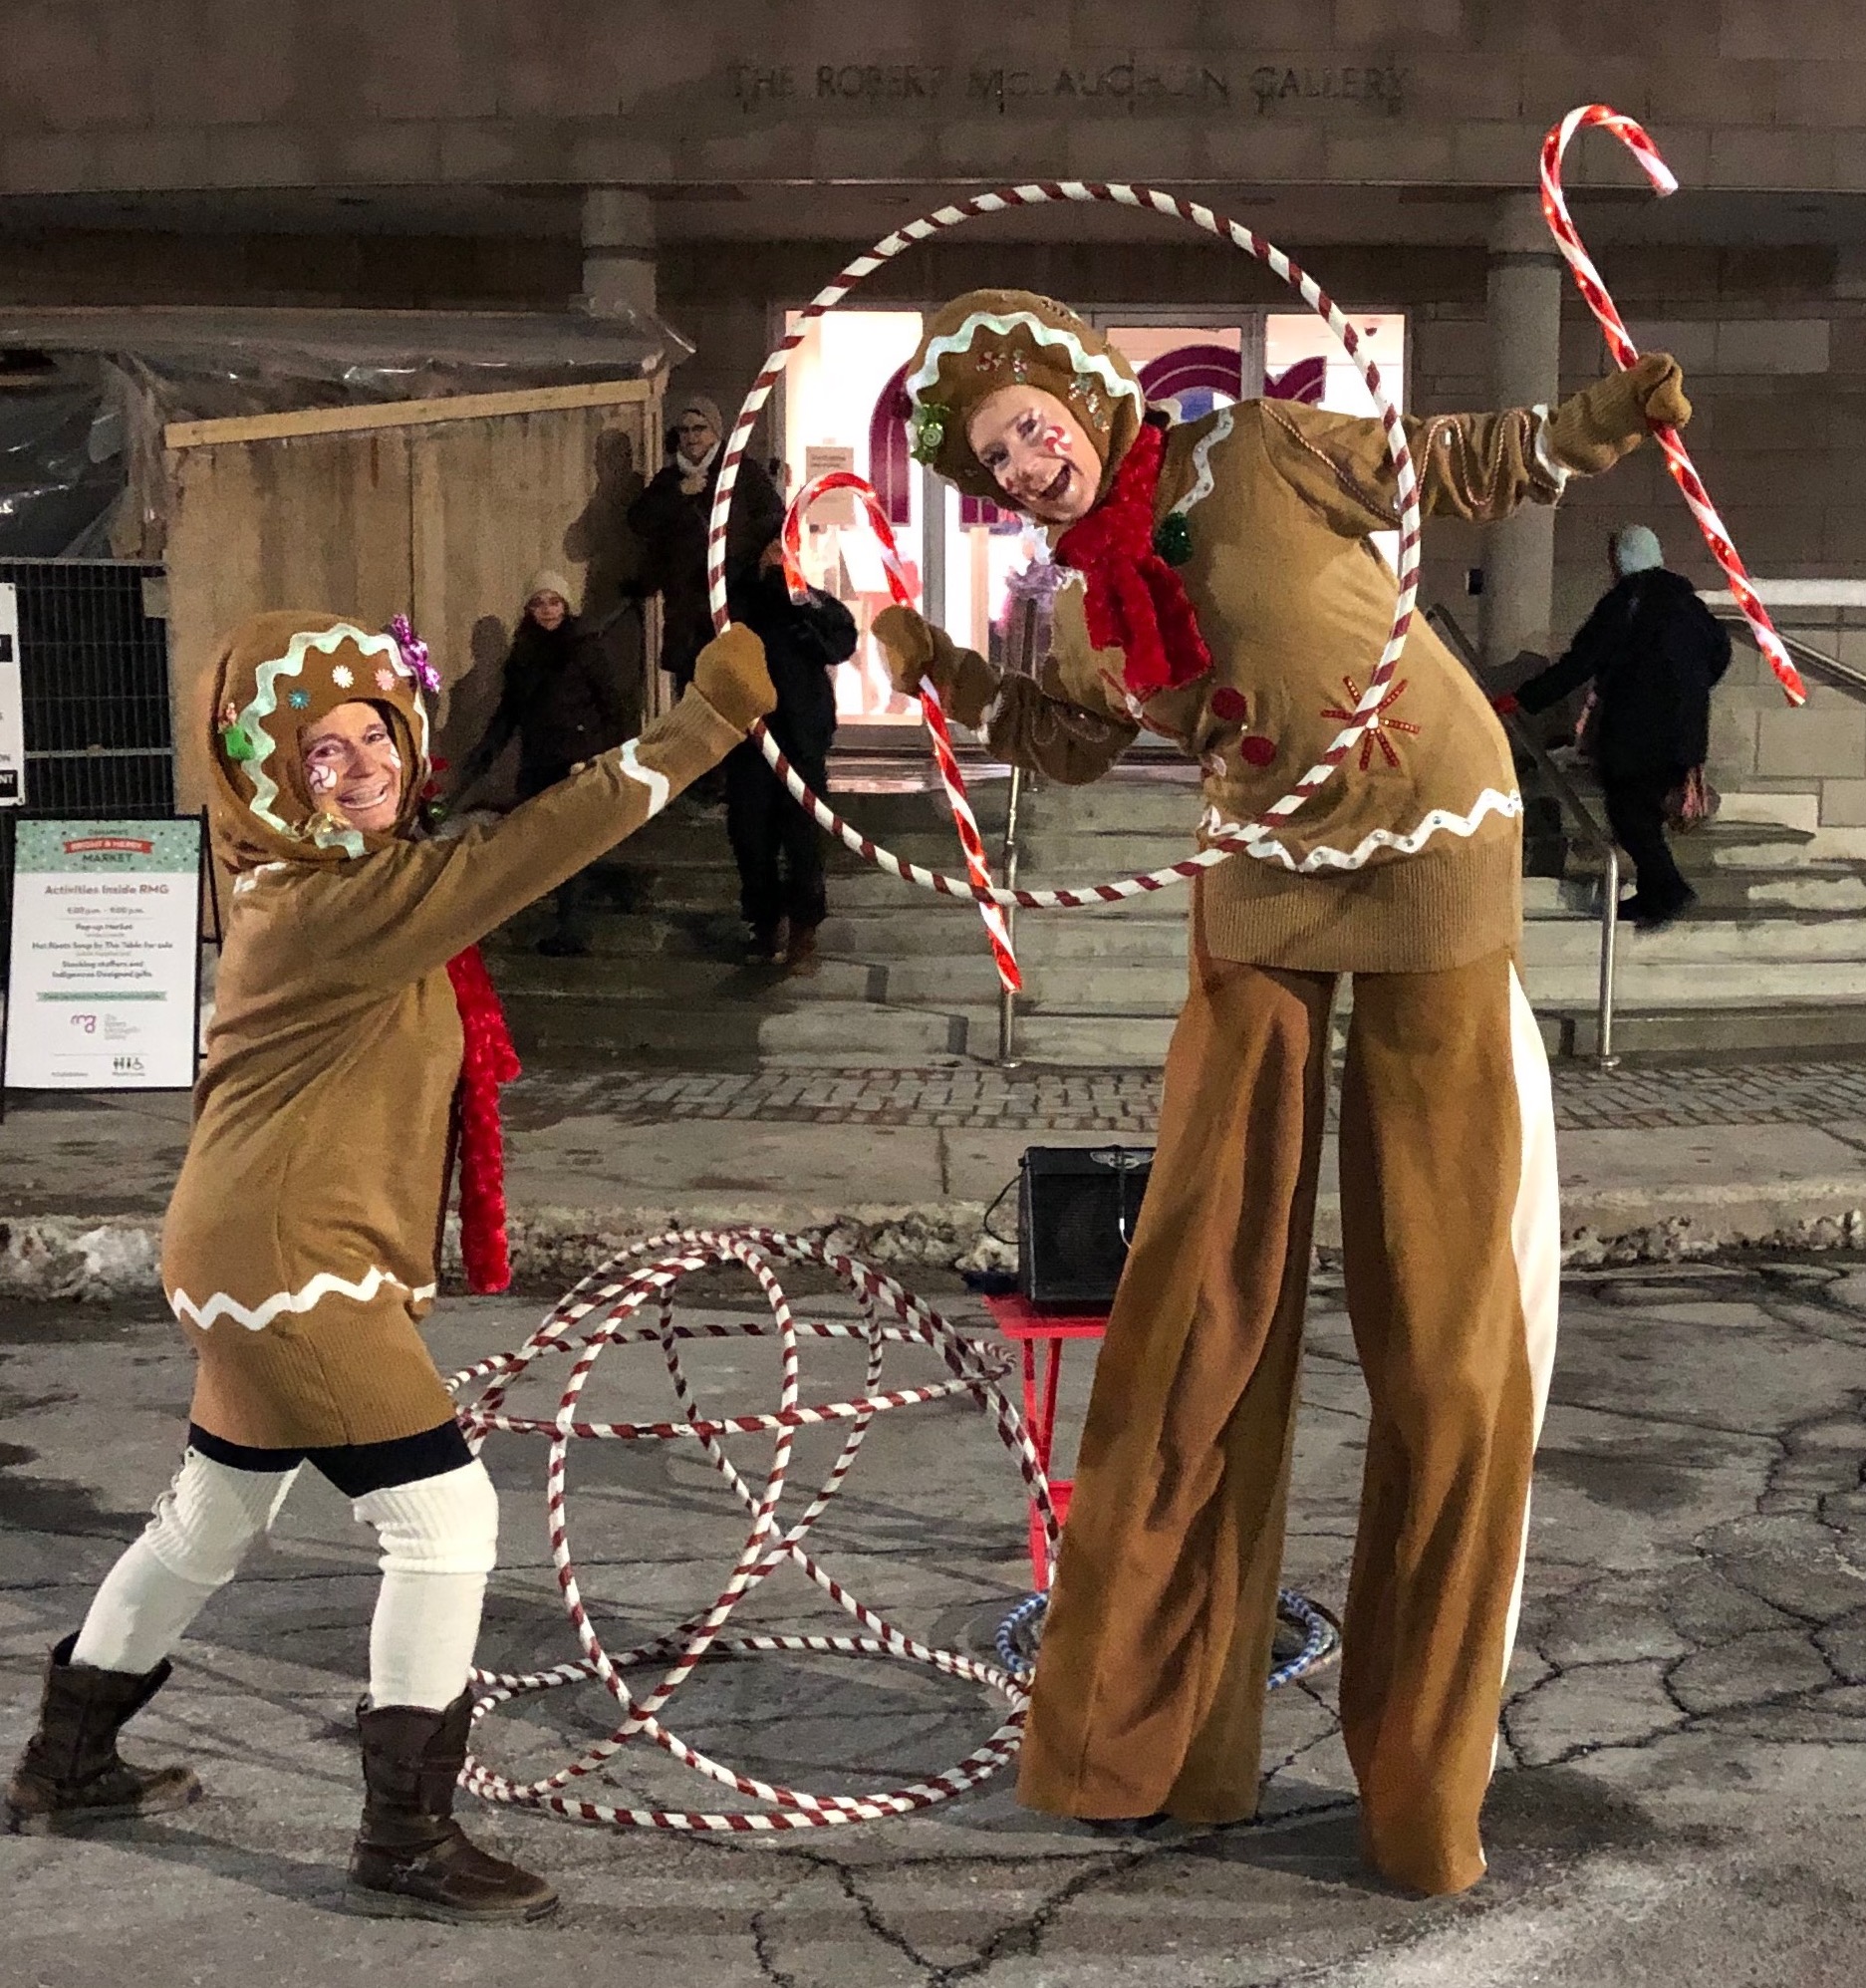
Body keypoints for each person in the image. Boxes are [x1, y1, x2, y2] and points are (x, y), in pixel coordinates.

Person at [874, 290, 1692, 1895]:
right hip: (1261, 878)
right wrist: (933, 664)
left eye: (1036, 422)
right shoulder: (1082, 606)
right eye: (997, 457)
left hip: (1428, 846)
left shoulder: (1252, 450)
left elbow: (1449, 462)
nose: (1030, 460)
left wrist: (1597, 422)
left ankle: (1416, 1792)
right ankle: (1159, 1741)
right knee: (1199, 1299)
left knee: (1442, 1329)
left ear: (1090, 398)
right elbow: (1075, 741)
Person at [4, 608, 774, 1923]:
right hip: (289, 1266)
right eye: (318, 748)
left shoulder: (335, 885)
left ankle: (66, 1757)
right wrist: (700, 726)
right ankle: (405, 1835)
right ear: (267, 772)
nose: (356, 762)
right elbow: (535, 843)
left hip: (257, 1248)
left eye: (376, 733)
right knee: (442, 1519)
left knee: (212, 1517)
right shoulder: (333, 900)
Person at [1499, 524, 1731, 931]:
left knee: (1627, 810)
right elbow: (1719, 653)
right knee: (1643, 809)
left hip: (1637, 729)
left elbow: (1581, 662)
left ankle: (1668, 889)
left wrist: (1524, 698)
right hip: (1686, 728)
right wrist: (1690, 689)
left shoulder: (1627, 602)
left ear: (1620, 559)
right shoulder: (1689, 604)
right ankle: (1656, 892)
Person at [455, 569, 640, 956]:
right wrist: (484, 755)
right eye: (538, 603)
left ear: (566, 604)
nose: (547, 610)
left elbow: (614, 706)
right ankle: (568, 917)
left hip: (578, 762)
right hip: (538, 761)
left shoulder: (585, 647)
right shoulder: (523, 654)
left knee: (570, 845)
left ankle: (572, 928)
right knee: (542, 843)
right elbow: (510, 712)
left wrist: (607, 754)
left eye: (554, 601)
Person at [724, 538, 857, 967]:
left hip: (801, 738)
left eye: (784, 551)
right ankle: (764, 923)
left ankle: (804, 926)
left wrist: (807, 606)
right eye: (769, 551)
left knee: (803, 838)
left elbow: (840, 641)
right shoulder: (734, 604)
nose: (777, 558)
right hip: (750, 738)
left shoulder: (808, 600)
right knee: (751, 837)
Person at [627, 392, 786, 696]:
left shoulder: (741, 473)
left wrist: (748, 560)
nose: (691, 437)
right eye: (684, 430)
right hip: (686, 611)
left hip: (734, 601)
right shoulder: (670, 480)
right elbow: (639, 521)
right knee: (692, 695)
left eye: (699, 428)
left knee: (733, 691)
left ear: (715, 432)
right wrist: (678, 494)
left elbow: (774, 518)